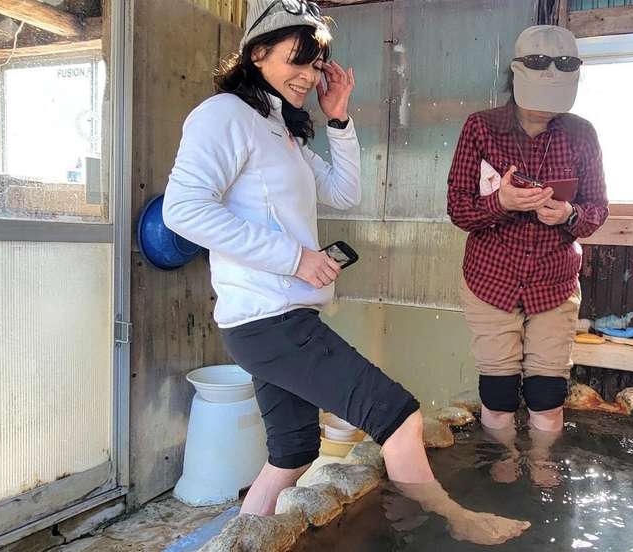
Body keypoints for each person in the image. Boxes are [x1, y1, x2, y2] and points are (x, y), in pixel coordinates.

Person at [164, 0, 529, 544]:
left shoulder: (279, 127)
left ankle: (239, 540)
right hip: (269, 320)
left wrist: (338, 118)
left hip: (275, 320)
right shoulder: (224, 115)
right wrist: (296, 258)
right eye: (298, 60)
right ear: (257, 53)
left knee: (293, 452)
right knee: (398, 416)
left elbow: (343, 192)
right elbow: (183, 210)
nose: (309, 76)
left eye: (317, 65)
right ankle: (458, 521)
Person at [447, 24, 608, 481]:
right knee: (497, 392)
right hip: (491, 279)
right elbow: (458, 208)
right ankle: (502, 470)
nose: (545, 110)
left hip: (554, 281)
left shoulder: (581, 134)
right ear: (515, 79)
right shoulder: (481, 127)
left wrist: (569, 215)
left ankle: (540, 467)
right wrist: (501, 202)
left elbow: (597, 209)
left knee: (547, 392)